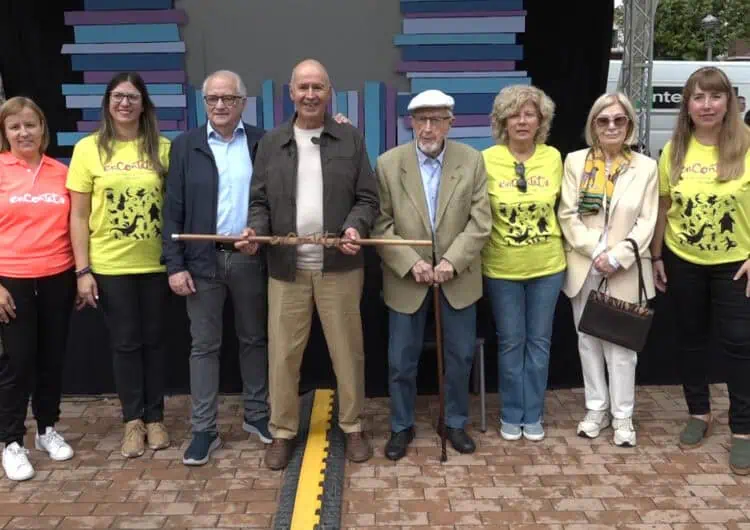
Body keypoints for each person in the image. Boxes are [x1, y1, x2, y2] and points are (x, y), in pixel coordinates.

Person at [238, 59, 379, 470]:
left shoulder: (350, 139)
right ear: (291, 91)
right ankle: (282, 431)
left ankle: (352, 427)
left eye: (318, 87)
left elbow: (367, 198)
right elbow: (259, 201)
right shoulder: (271, 142)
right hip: (286, 267)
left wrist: (355, 228)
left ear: (329, 90)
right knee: (282, 354)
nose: (311, 94)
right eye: (304, 87)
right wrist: (255, 232)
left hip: (340, 266)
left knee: (348, 352)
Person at [371, 89, 491, 460]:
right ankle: (401, 426)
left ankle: (454, 422)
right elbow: (381, 223)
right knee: (400, 360)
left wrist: (451, 262)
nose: (428, 127)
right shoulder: (389, 164)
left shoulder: (471, 161)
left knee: (459, 358)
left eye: (436, 119)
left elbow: (480, 221)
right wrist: (412, 262)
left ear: (450, 123)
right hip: (408, 278)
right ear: (410, 122)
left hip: (457, 277)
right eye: (421, 119)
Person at [162, 70, 270, 466]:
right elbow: (173, 210)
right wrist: (174, 265)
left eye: (228, 98)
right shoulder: (186, 145)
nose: (220, 105)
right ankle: (204, 429)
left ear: (243, 102)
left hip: (248, 257)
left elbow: (276, 200)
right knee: (204, 346)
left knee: (254, 339)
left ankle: (257, 415)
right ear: (203, 103)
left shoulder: (263, 142)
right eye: (213, 99)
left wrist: (259, 232)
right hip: (201, 260)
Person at [651, 66, 750, 475]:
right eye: (698, 97)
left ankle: (742, 429)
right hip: (682, 259)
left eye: (714, 96)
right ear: (687, 106)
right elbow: (662, 207)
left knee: (739, 343)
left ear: (729, 102)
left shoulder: (746, 146)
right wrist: (656, 257)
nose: (706, 105)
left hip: (736, 265)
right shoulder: (673, 150)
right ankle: (699, 412)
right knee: (690, 339)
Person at [67, 72, 171, 459]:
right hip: (110, 265)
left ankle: (156, 417)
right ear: (108, 103)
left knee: (156, 342)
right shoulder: (87, 150)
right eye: (117, 96)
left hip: (156, 265)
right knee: (125, 343)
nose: (124, 103)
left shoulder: (163, 148)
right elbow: (78, 216)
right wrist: (82, 270)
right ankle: (133, 422)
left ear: (144, 104)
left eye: (132, 96)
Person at [558, 92, 658, 447]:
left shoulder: (646, 167)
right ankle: (596, 409)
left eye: (619, 120)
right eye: (604, 120)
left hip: (625, 267)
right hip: (585, 264)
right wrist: (596, 250)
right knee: (588, 341)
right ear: (593, 125)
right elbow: (567, 214)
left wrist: (617, 256)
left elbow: (648, 220)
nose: (612, 126)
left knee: (622, 346)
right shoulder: (575, 161)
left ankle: (623, 416)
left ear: (629, 124)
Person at [481, 85, 564, 442]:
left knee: (540, 342)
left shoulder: (554, 158)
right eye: (514, 114)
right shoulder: (484, 160)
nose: (522, 120)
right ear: (502, 121)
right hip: (502, 268)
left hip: (548, 266)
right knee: (511, 342)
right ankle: (512, 413)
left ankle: (534, 413)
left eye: (529, 113)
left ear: (540, 120)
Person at [0, 97, 75, 481]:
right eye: (15, 127)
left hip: (57, 277)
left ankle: (47, 429)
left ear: (43, 128)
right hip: (11, 282)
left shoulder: (59, 172)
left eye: (30, 125)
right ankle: (11, 442)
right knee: (17, 363)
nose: (23, 133)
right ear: (5, 132)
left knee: (51, 360)